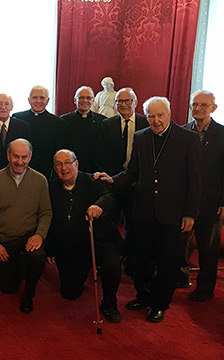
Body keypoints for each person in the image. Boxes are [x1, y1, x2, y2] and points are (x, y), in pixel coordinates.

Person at [95, 96, 201, 322]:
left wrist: (190, 213)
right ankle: (144, 296)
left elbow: (195, 180)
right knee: (141, 260)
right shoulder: (141, 137)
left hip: (173, 215)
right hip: (143, 211)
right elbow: (133, 171)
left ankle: (160, 304)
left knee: (167, 262)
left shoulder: (188, 139)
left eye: (160, 115)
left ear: (170, 114)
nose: (155, 121)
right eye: (151, 116)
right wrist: (112, 179)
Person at [46, 150, 122, 323]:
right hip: (71, 246)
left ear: (77, 164)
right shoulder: (51, 187)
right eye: (58, 164)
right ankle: (85, 271)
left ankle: (109, 303)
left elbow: (109, 197)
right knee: (70, 293)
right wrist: (50, 249)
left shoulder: (92, 180)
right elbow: (47, 219)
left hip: (98, 241)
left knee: (112, 264)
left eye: (67, 162)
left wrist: (98, 206)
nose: (64, 168)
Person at [0, 139, 52, 313]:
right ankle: (20, 265)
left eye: (24, 157)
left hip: (29, 236)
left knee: (37, 257)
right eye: (15, 156)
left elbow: (46, 212)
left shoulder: (40, 180)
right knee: (7, 288)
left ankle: (29, 293)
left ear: (30, 157)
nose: (19, 161)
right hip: (5, 239)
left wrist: (40, 235)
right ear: (8, 155)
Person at [95, 87, 148, 278]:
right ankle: (108, 262)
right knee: (107, 224)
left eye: (127, 101)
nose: (123, 105)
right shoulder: (107, 124)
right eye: (119, 101)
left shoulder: (146, 122)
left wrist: (134, 179)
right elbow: (100, 154)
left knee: (134, 226)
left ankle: (131, 264)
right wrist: (115, 179)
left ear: (135, 102)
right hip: (113, 183)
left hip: (137, 185)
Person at [183, 90, 223, 302]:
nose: (198, 109)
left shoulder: (223, 134)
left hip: (212, 202)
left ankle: (205, 290)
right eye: (194, 105)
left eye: (203, 105)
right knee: (180, 244)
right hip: (185, 201)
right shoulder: (182, 132)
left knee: (208, 249)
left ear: (213, 108)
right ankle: (179, 279)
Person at [13, 85, 65, 178]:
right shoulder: (18, 118)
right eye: (34, 98)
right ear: (29, 100)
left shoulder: (57, 122)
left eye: (42, 98)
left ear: (48, 100)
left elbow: (59, 149)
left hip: (46, 169)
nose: (38, 101)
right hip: (21, 166)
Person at [60, 86, 106, 173]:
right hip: (70, 169)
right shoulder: (63, 121)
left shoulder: (103, 121)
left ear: (93, 101)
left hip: (95, 170)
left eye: (88, 98)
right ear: (75, 100)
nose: (85, 101)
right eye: (81, 98)